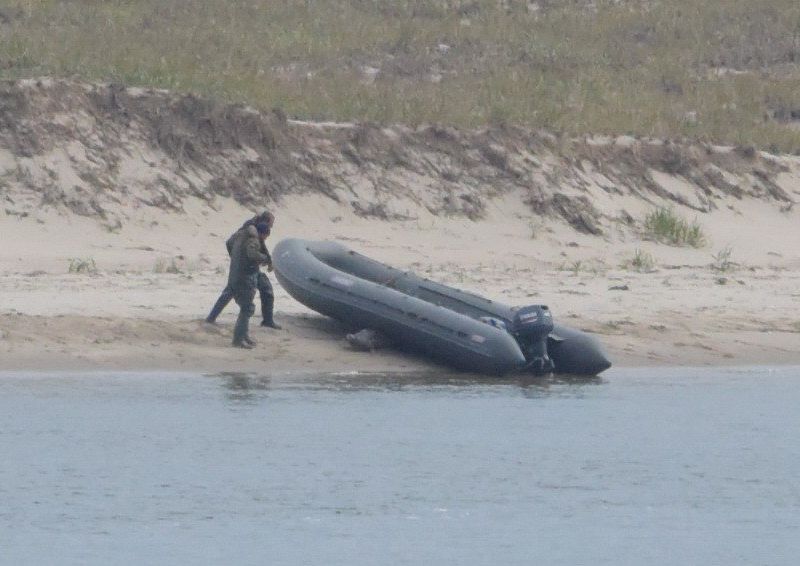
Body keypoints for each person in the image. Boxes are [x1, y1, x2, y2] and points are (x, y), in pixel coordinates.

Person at [206, 211, 281, 330]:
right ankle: (214, 320)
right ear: (265, 221)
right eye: (271, 224)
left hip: (245, 267)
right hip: (245, 269)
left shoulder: (254, 229)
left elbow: (259, 246)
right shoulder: (251, 231)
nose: (271, 227)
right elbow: (233, 244)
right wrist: (240, 260)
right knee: (238, 295)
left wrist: (267, 260)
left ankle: (267, 320)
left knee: (233, 291)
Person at [227, 220, 272, 348]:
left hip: (236, 274)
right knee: (247, 308)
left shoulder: (241, 235)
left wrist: (236, 259)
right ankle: (238, 339)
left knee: (246, 307)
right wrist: (264, 258)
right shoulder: (253, 240)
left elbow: (229, 243)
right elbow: (252, 254)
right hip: (244, 277)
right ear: (263, 233)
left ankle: (244, 335)